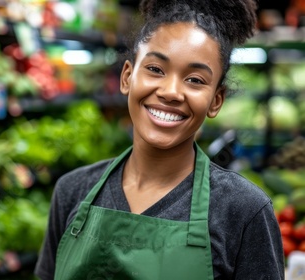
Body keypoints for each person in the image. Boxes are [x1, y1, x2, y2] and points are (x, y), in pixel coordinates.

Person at [34, 0, 285, 279]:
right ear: (127, 76)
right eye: (155, 69)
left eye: (195, 80)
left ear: (216, 101)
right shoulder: (72, 192)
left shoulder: (244, 211)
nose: (171, 92)